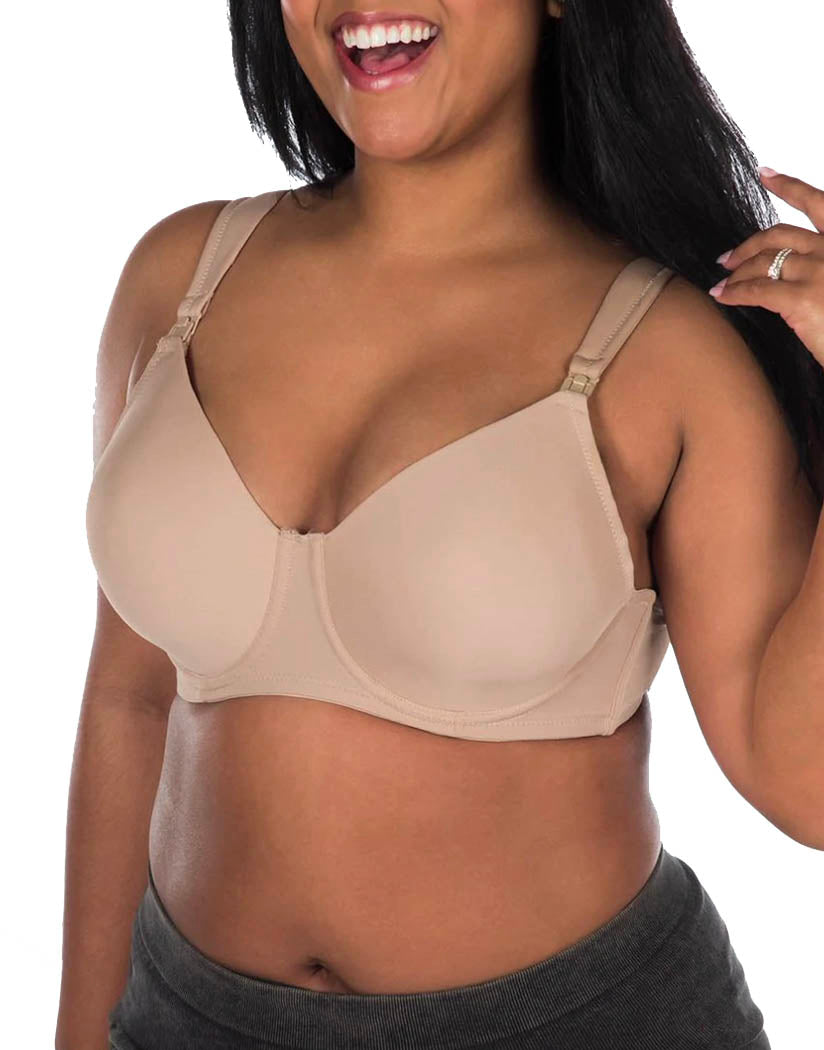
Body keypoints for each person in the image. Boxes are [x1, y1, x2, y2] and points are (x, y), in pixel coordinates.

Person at [57, 0, 824, 1047]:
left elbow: (804, 787)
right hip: (187, 1018)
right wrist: (80, 1031)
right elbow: (129, 698)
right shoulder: (180, 279)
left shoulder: (671, 353)